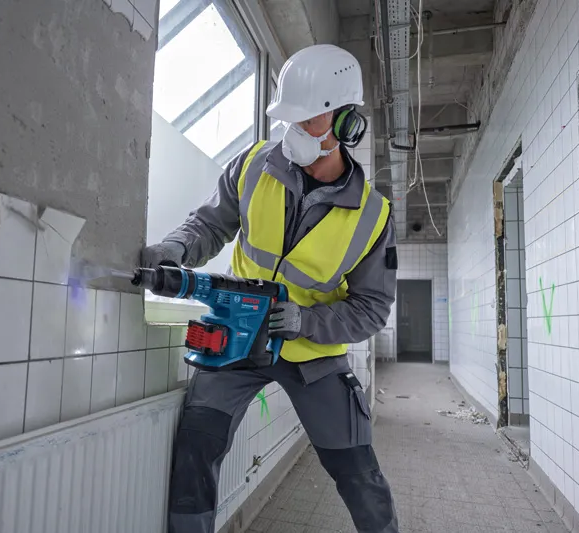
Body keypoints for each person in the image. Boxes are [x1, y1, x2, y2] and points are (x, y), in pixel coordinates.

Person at [142, 44, 399, 533]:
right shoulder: (255, 163)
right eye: (290, 120)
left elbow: (371, 309)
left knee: (358, 473)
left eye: (308, 122)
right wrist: (174, 248)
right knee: (197, 449)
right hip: (237, 339)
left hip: (312, 355)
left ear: (347, 125)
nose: (293, 133)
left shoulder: (374, 216)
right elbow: (209, 224)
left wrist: (308, 322)